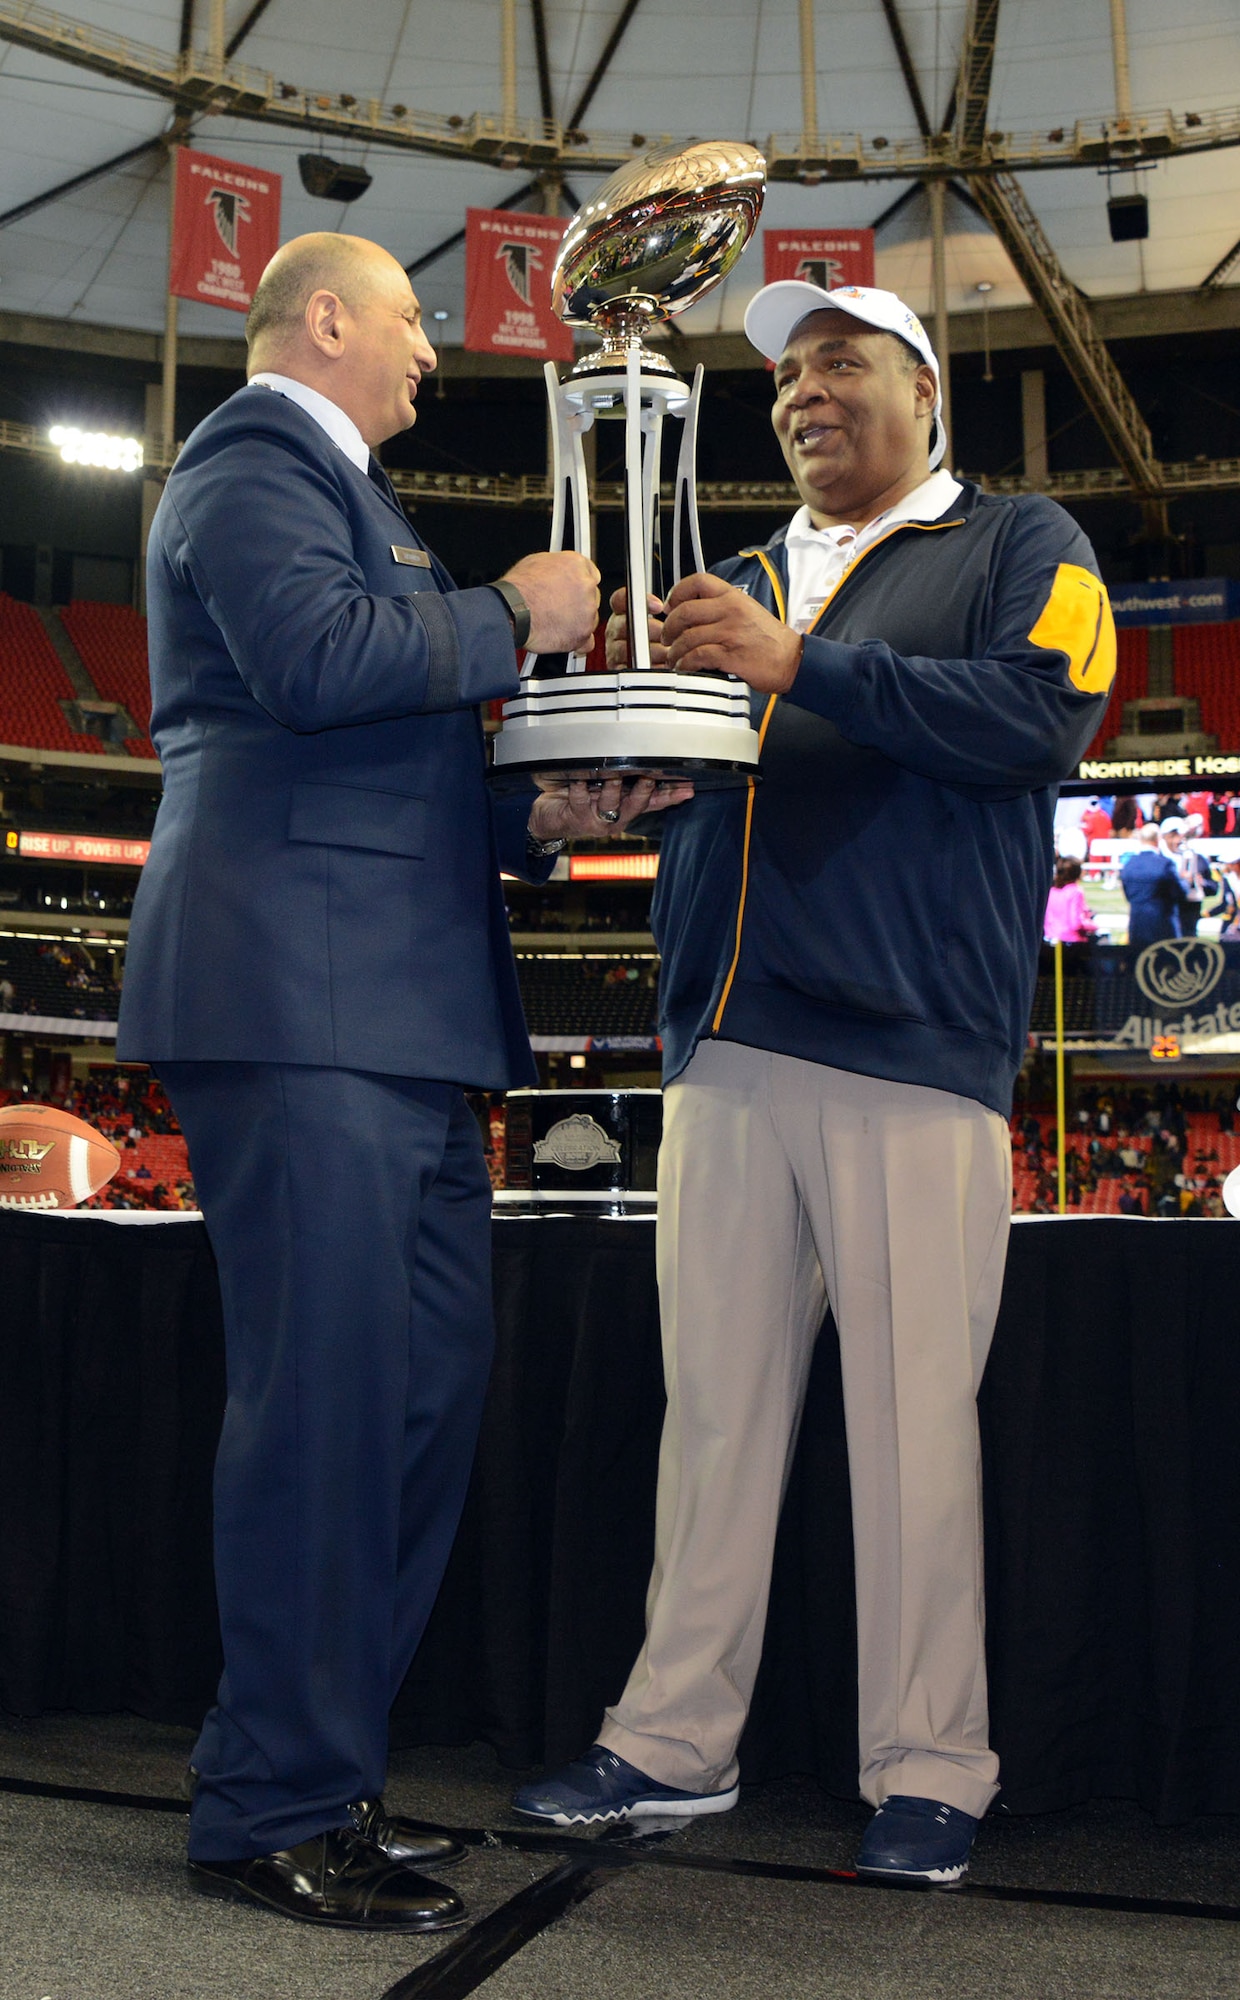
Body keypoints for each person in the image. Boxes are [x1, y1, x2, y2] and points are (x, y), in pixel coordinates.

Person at [116, 231, 689, 1934]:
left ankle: (320, 1775)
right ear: (326, 318)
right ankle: (276, 1798)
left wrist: (546, 821)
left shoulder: (349, 496)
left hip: (394, 1003)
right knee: (332, 1412)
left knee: (416, 1403)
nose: (437, 349)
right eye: (416, 318)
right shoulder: (251, 459)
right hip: (306, 991)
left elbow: (384, 728)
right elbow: (311, 665)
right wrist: (514, 609)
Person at [513, 281, 1115, 1883]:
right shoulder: (747, 574)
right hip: (726, 1036)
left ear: (926, 394)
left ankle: (931, 1764)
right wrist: (620, 785)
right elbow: (721, 778)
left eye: (841, 363)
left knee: (918, 1432)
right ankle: (668, 1742)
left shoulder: (1023, 541)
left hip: (916, 1047)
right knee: (709, 1423)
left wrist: (802, 665)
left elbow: (1044, 718)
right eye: (784, 375)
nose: (803, 394)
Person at [1121, 823, 1188, 950]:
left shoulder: (1129, 864)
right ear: (1158, 840)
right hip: (1163, 924)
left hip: (1137, 923)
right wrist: (1184, 880)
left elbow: (1127, 894)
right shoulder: (1165, 864)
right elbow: (1180, 892)